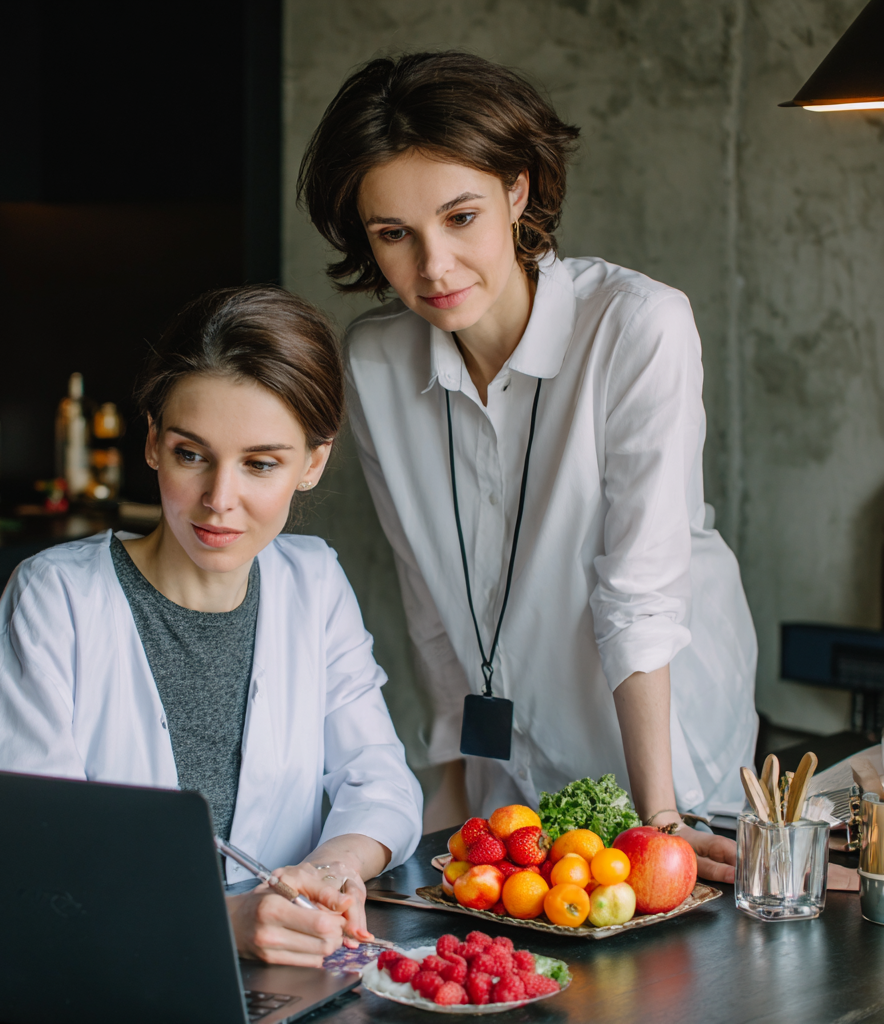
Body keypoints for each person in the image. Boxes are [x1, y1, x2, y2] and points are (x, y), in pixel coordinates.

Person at [298, 50, 758, 884]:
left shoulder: (636, 326)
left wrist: (662, 820)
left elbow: (640, 592)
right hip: (508, 759)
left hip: (666, 742)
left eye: (461, 216)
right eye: (393, 235)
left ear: (516, 191)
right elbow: (429, 594)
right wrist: (450, 792)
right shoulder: (374, 360)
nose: (432, 267)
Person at [0, 286, 423, 964]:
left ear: (313, 462)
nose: (219, 500)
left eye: (260, 464)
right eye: (192, 454)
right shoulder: (57, 596)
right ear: (153, 441)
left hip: (293, 976)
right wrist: (227, 921)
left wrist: (333, 869)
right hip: (108, 969)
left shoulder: (314, 581)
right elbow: (36, 853)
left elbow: (383, 783)